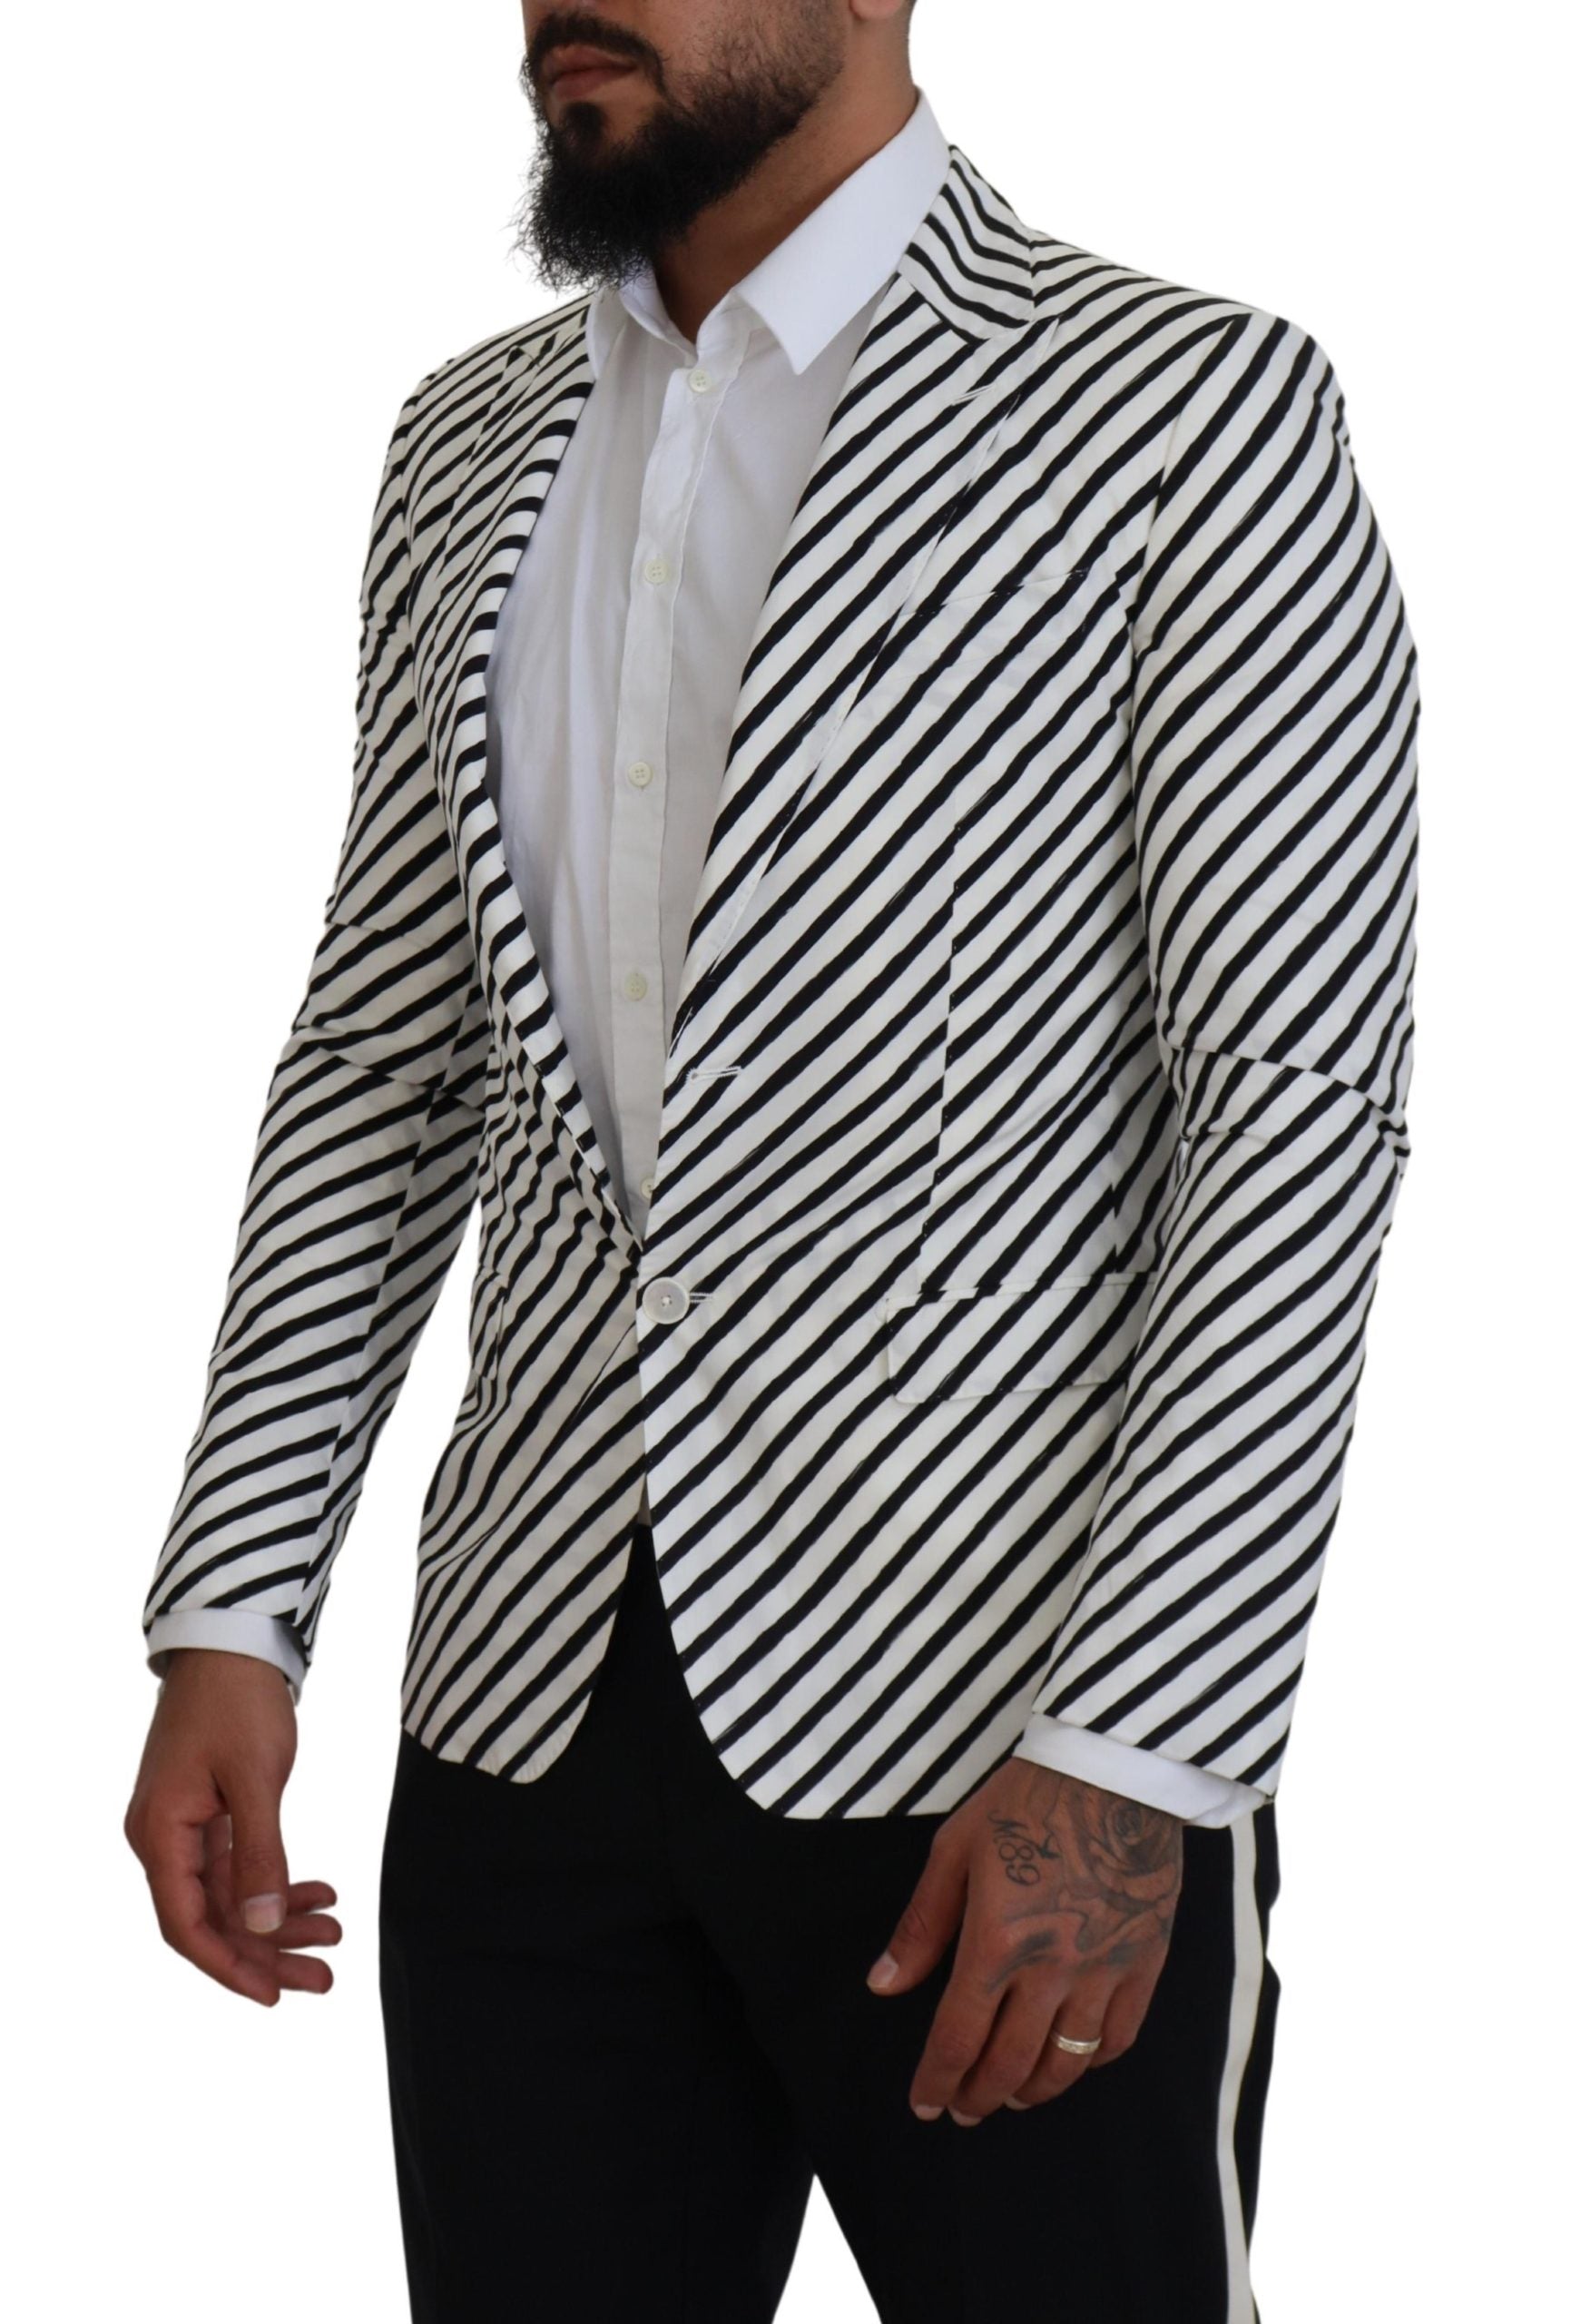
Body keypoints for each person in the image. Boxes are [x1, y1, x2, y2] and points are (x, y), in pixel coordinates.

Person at [124, 5, 1419, 2319]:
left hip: (1001, 1727)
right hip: (525, 1707)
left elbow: (1288, 1108)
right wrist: (235, 1605)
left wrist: (1135, 1749)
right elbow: (384, 1062)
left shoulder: (1180, 412)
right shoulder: (465, 443)